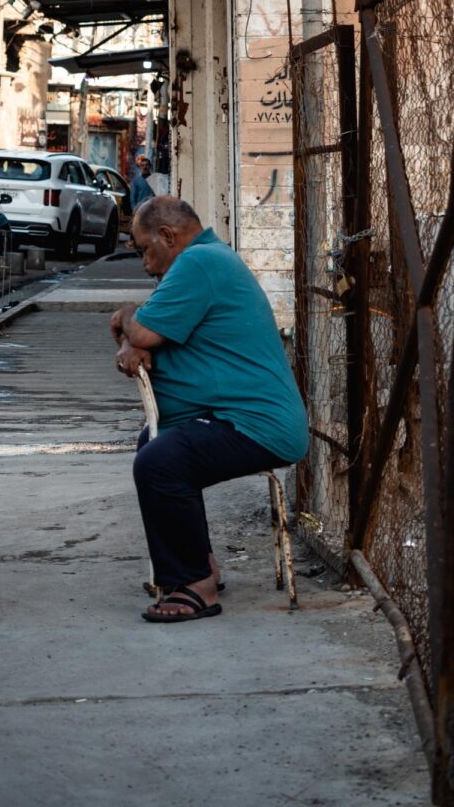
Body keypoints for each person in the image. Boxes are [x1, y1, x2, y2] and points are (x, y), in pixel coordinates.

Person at [111, 195, 309, 624]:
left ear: (168, 236)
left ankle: (196, 585)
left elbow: (143, 329)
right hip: (233, 418)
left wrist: (128, 320)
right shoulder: (203, 261)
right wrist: (132, 338)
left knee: (160, 461)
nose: (146, 265)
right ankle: (201, 565)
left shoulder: (198, 263)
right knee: (156, 444)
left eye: (146, 249)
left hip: (259, 426)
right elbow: (145, 335)